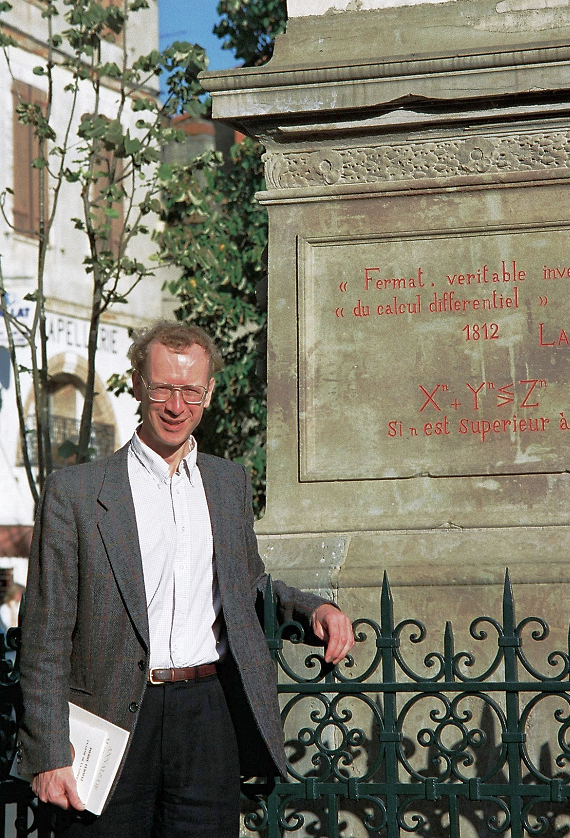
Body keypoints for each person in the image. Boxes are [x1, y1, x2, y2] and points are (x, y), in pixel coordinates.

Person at [17, 321, 355, 838]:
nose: (177, 406)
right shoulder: (76, 493)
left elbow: (248, 586)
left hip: (207, 716)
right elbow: (43, 638)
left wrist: (314, 611)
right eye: (164, 388)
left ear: (210, 392)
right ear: (137, 384)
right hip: (109, 720)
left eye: (191, 390)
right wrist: (47, 753)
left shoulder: (228, 482)